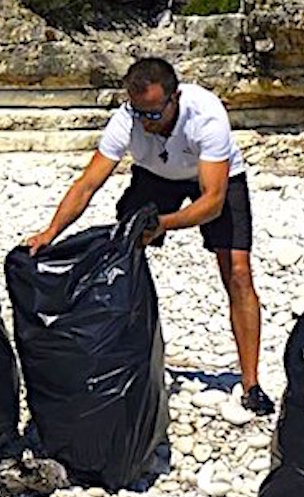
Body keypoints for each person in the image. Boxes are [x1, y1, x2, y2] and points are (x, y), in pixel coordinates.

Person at [24, 57, 275, 416]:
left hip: (216, 181)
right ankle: (125, 356)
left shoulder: (206, 115)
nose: (146, 122)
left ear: (175, 97)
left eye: (154, 114)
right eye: (139, 112)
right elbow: (88, 184)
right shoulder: (127, 120)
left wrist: (165, 223)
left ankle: (251, 383)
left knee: (237, 272)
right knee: (124, 253)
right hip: (154, 175)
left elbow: (213, 202)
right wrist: (51, 231)